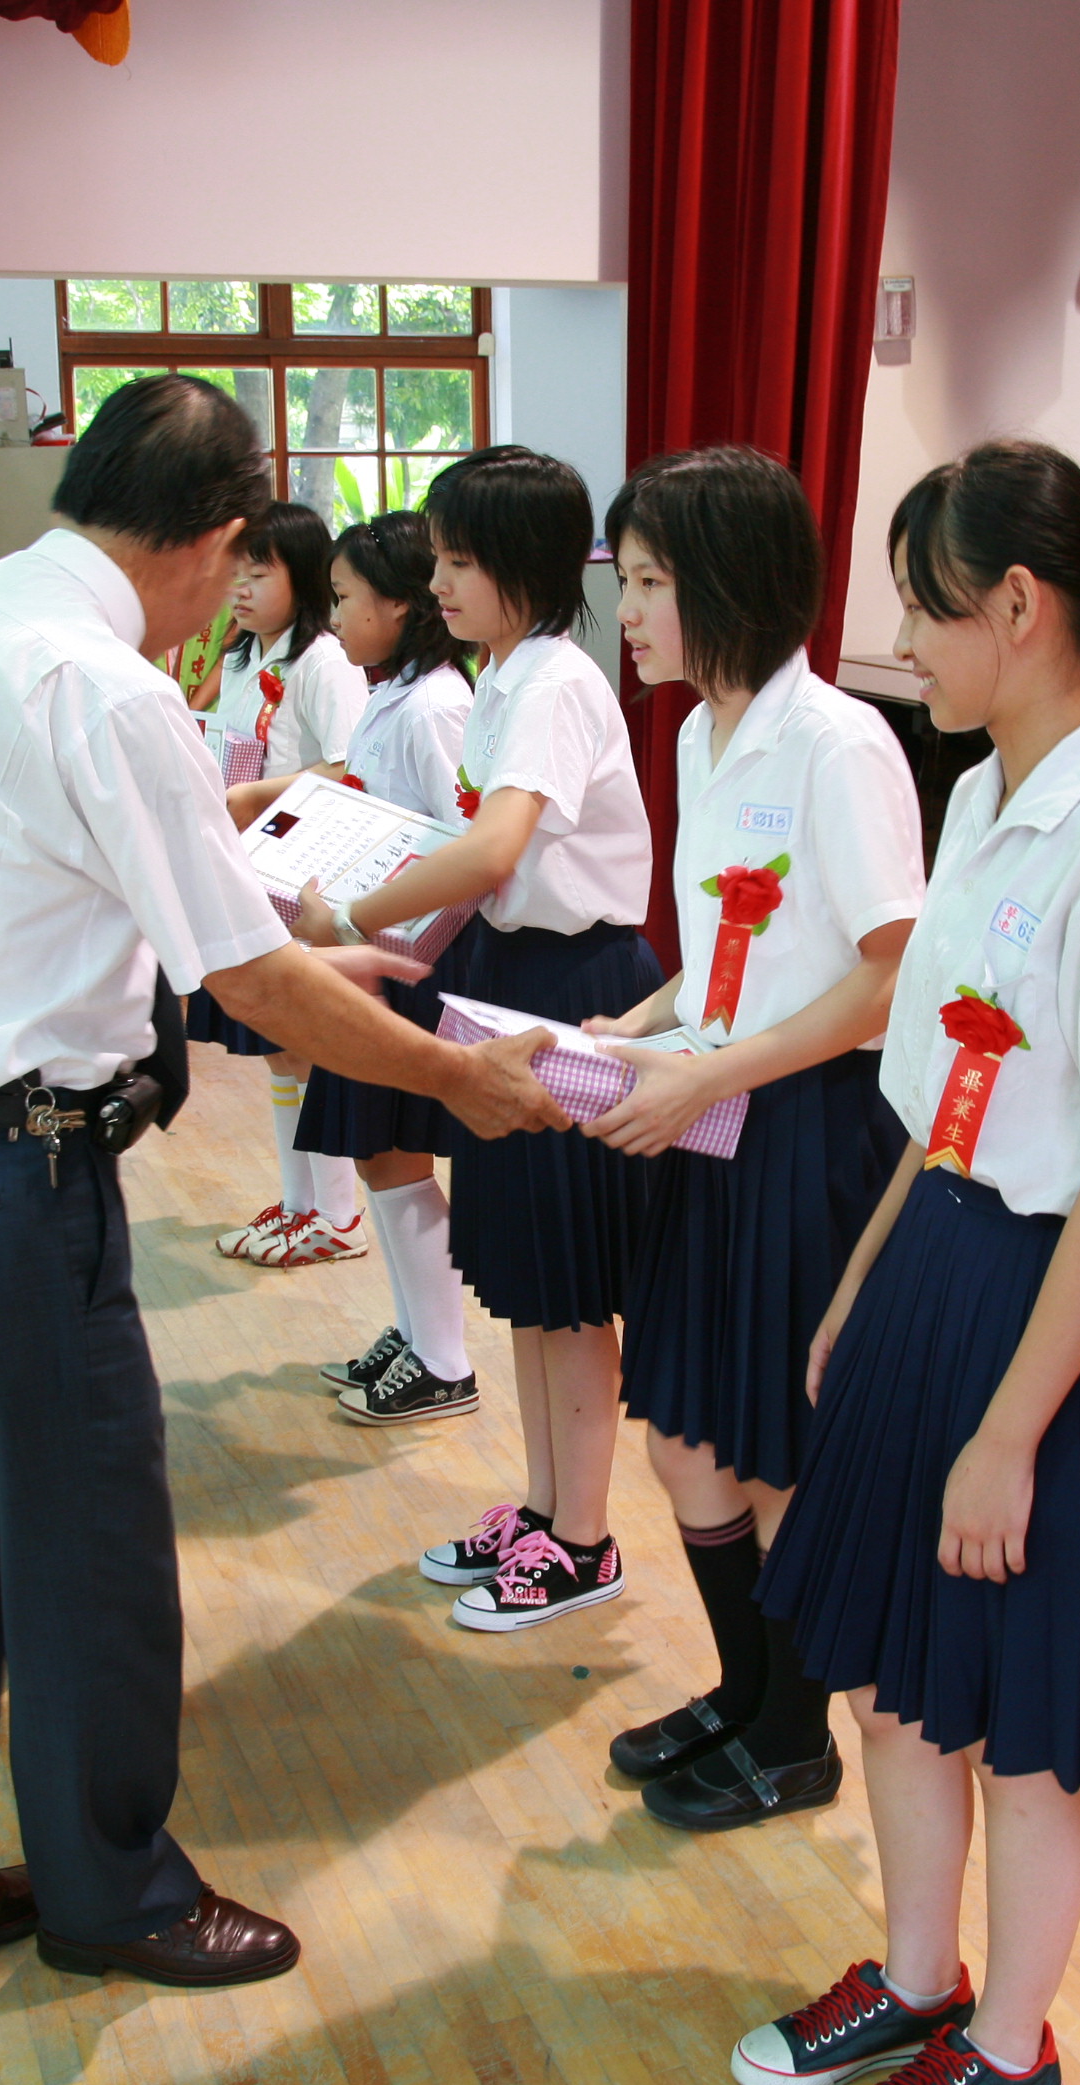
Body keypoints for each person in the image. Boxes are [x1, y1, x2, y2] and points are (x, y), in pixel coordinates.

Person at [0, 374, 560, 2015]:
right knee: (86, 1559)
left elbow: (37, 898)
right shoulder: (106, 685)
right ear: (218, 539)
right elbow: (251, 982)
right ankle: (111, 1893)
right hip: (3, 1192)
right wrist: (458, 1079)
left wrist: (297, 964)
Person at [731, 440, 1080, 2085]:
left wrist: (1010, 1434)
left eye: (922, 608)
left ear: (1018, 606)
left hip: (1055, 1306)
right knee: (894, 1683)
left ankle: (1010, 2050)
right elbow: (947, 1089)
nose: (902, 642)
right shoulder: (977, 795)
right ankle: (914, 1978)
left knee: (1018, 1726)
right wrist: (861, 1283)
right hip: (939, 1256)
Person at [576, 447, 921, 1832]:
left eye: (650, 583)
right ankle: (745, 1689)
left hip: (805, 1127)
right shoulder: (694, 735)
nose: (628, 614)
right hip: (708, 1106)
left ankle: (793, 1735)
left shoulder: (839, 745)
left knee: (774, 1451)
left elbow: (890, 977)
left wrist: (709, 1065)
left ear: (728, 584)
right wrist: (627, 1026)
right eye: (627, 582)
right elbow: (733, 955)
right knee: (688, 1438)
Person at [293, 444, 658, 1634]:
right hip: (513, 975)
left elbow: (494, 851)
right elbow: (479, 865)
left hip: (575, 985)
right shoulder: (504, 675)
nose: (438, 583)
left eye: (459, 562)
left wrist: (355, 916)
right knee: (532, 1285)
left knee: (572, 1290)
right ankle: (546, 1510)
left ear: (523, 565)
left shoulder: (552, 681)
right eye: (439, 561)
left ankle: (585, 1538)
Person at [288, 511, 484, 1426]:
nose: (333, 619)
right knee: (377, 1152)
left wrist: (389, 941)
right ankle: (414, 1333)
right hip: (371, 948)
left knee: (395, 1151)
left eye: (345, 598)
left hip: (409, 962)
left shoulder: (439, 704)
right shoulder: (392, 692)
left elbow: (465, 845)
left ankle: (444, 1358)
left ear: (400, 605)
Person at [194, 501, 371, 1269]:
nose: (239, 587)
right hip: (247, 868)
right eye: (233, 571)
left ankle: (336, 1211)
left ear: (303, 577)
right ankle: (298, 1203)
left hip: (302, 871)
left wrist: (251, 796)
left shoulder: (324, 660)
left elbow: (348, 764)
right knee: (274, 1045)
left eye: (257, 573)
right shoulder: (240, 657)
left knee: (306, 1040)